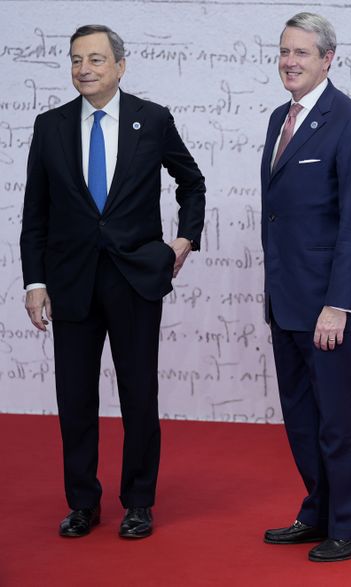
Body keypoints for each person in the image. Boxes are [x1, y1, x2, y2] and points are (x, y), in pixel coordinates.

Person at [20, 24, 206, 539]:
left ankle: (139, 501)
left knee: (138, 394)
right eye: (77, 59)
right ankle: (82, 502)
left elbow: (191, 182)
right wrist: (34, 283)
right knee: (74, 397)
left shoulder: (153, 119)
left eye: (97, 60)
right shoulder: (49, 125)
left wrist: (185, 238)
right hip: (71, 281)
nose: (85, 69)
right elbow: (35, 212)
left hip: (135, 280)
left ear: (120, 66)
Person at [260, 13, 351, 562]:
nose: (289, 61)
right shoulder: (277, 120)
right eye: (284, 51)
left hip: (328, 308)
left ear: (328, 59)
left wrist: (337, 304)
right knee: (303, 419)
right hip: (285, 302)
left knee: (340, 420)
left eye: (302, 53)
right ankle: (320, 511)